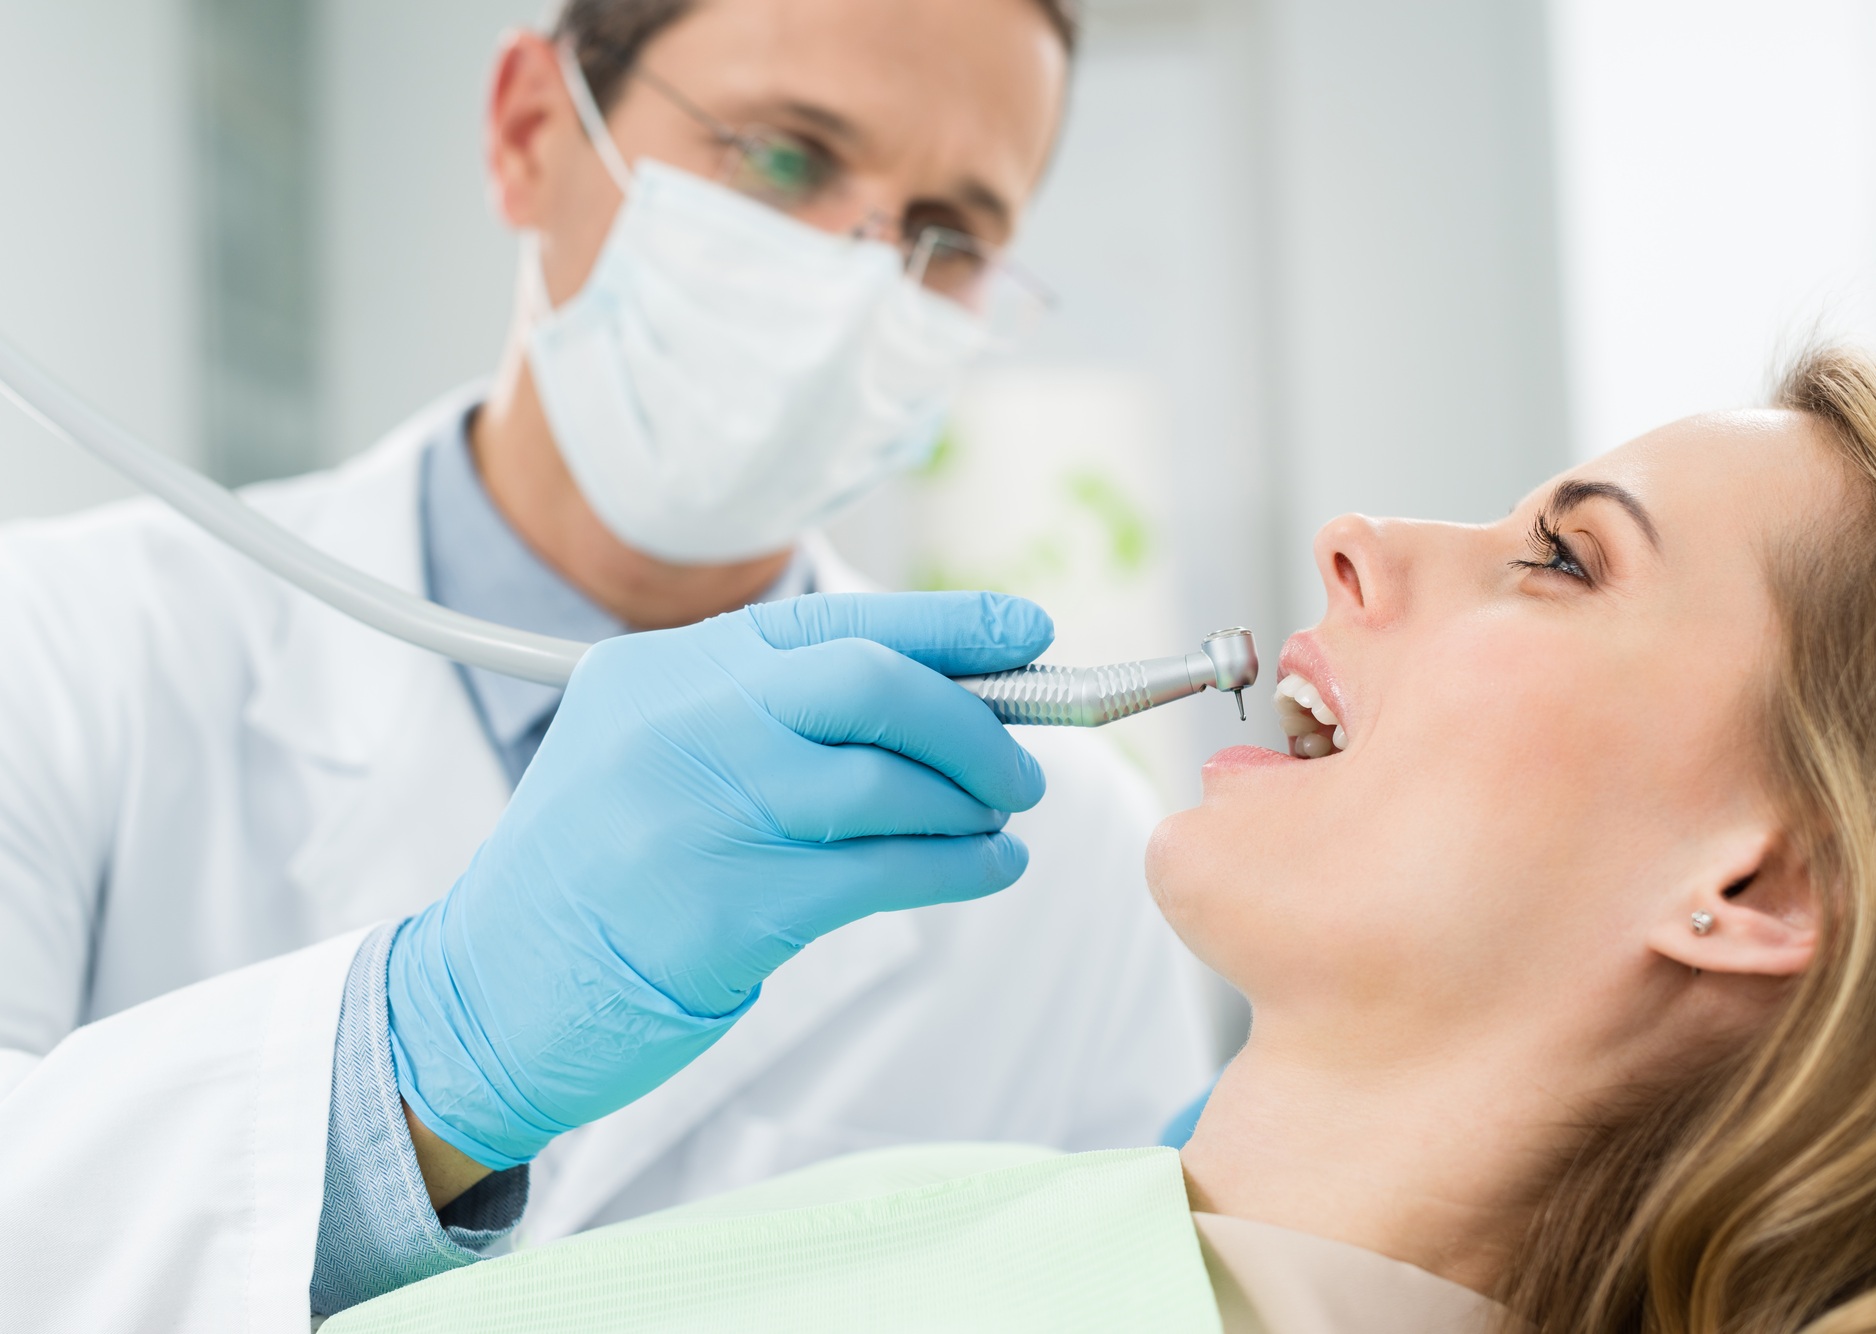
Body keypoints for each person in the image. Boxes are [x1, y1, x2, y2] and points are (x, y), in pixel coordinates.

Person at [322, 345, 1876, 1333]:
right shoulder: (969, 1218)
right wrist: (396, 1106)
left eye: (1563, 560)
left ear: (1758, 882)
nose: (1357, 538)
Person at [0, 1, 1210, 1329]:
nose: (863, 284)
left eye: (954, 237)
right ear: (531, 131)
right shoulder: (64, 641)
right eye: (787, 158)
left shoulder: (1070, 853)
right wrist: (407, 1070)